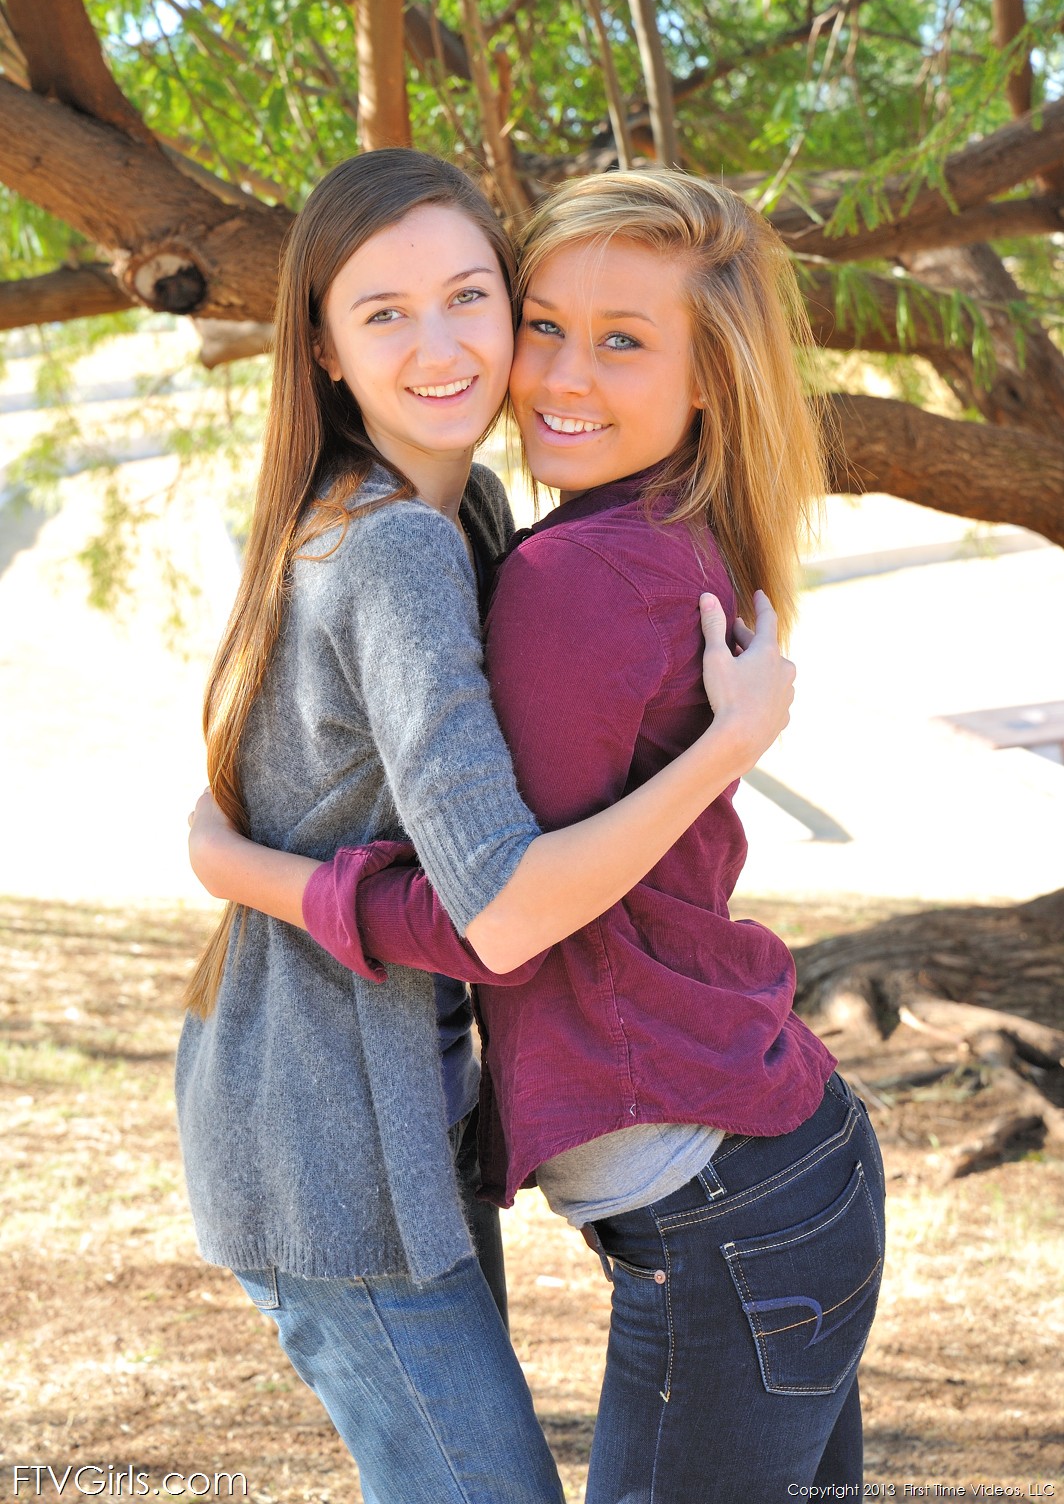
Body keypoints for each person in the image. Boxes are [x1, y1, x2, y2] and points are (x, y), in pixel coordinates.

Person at [190, 167, 886, 1503]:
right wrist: (250, 871)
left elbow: (504, 913)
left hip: (523, 1136)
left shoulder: (499, 528)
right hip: (355, 1131)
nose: (458, 349)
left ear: (710, 377)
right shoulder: (427, 543)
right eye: (384, 313)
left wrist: (247, 872)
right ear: (321, 347)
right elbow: (506, 906)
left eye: (472, 298)